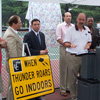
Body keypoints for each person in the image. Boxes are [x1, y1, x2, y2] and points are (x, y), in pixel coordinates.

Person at [63, 13, 92, 100]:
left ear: (85, 21)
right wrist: (70, 45)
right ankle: (74, 97)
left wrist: (88, 45)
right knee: (72, 80)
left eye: (83, 20)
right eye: (80, 19)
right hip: (73, 57)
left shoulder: (87, 29)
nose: (81, 21)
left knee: (84, 78)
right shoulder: (70, 30)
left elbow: (89, 41)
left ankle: (82, 95)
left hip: (84, 57)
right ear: (76, 19)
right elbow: (65, 43)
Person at [23, 18, 48, 100]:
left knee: (40, 80)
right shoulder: (28, 36)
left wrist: (45, 51)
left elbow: (43, 46)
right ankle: (32, 96)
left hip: (41, 61)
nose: (37, 26)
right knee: (32, 80)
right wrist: (39, 52)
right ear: (31, 26)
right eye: (35, 24)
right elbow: (26, 49)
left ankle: (38, 96)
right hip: (31, 61)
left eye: (38, 24)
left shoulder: (42, 35)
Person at [3, 15, 22, 100]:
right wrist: (18, 65)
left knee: (15, 84)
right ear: (14, 24)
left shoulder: (12, 33)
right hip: (14, 63)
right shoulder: (10, 34)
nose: (21, 24)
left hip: (15, 63)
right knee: (12, 85)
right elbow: (12, 52)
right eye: (19, 22)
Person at [56, 12, 73, 96]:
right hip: (63, 48)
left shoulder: (74, 27)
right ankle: (62, 89)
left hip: (72, 49)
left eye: (70, 16)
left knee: (70, 69)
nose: (68, 17)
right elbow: (58, 38)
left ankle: (68, 87)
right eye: (67, 16)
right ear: (64, 17)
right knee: (63, 69)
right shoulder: (60, 26)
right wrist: (65, 44)